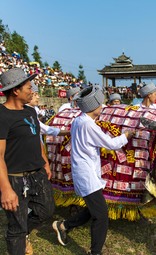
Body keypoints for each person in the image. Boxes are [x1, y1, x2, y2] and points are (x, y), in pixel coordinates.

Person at [52, 86, 134, 255]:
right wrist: (127, 136)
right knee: (101, 216)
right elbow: (111, 144)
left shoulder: (79, 120)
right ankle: (95, 252)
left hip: (87, 172)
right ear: (94, 107)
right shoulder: (88, 125)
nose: (103, 107)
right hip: (86, 174)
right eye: (101, 104)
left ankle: (63, 225)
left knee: (92, 209)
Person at [0, 68, 55, 255]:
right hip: (15, 179)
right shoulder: (2, 116)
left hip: (37, 174)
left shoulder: (30, 111)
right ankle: (19, 237)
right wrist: (6, 189)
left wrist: (45, 161)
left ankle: (24, 231)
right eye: (29, 87)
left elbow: (36, 138)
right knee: (16, 228)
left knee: (46, 210)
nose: (32, 91)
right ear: (16, 90)